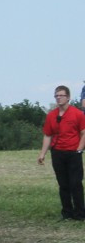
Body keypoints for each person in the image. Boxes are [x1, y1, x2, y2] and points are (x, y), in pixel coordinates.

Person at [37, 85, 85, 221]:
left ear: (68, 97)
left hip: (73, 153)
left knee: (75, 183)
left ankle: (80, 214)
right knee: (63, 184)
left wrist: (79, 150)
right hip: (57, 153)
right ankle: (67, 213)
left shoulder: (77, 114)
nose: (59, 98)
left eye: (61, 95)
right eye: (56, 96)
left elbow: (83, 133)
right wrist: (42, 154)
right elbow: (47, 135)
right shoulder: (51, 115)